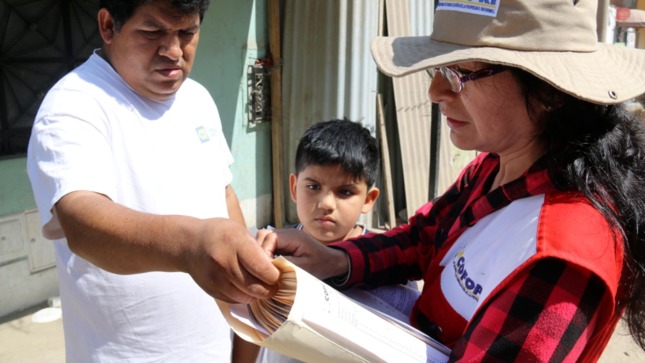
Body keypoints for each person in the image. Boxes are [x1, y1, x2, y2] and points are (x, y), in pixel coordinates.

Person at [260, 1, 645, 362]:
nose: (435, 92)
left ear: (547, 92)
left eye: (461, 74)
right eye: (439, 70)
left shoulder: (566, 253)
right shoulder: (495, 166)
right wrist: (334, 258)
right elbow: (423, 238)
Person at [26, 1, 279, 362]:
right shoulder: (75, 105)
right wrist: (190, 245)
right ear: (109, 26)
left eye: (187, 32)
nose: (173, 51)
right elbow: (82, 222)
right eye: (153, 32)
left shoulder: (198, 99)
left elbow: (222, 196)